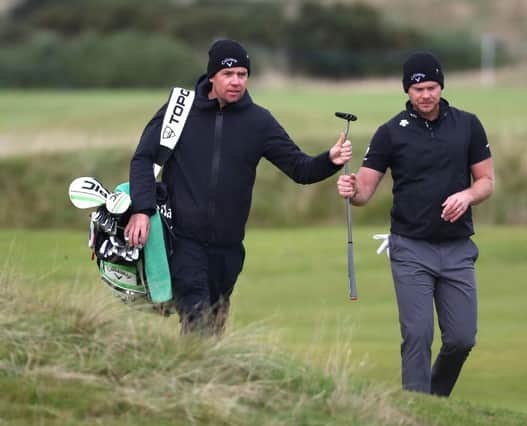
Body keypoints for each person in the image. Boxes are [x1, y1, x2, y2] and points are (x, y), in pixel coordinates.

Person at [125, 39, 352, 335]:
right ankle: (195, 376)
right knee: (197, 317)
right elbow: (143, 159)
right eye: (228, 75)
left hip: (228, 249)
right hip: (182, 240)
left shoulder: (259, 122)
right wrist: (142, 210)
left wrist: (330, 160)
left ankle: (200, 380)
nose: (236, 81)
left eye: (242, 75)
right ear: (212, 77)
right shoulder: (179, 111)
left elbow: (300, 169)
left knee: (214, 326)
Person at [337, 51, 494, 396]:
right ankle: (415, 409)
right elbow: (365, 188)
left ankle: (433, 402)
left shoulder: (467, 124)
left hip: (457, 249)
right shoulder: (390, 133)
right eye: (418, 88)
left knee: (461, 339)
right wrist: (351, 190)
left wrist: (467, 196)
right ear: (407, 90)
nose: (426, 95)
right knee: (418, 335)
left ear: (442, 86)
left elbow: (486, 181)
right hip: (410, 249)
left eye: (432, 87)